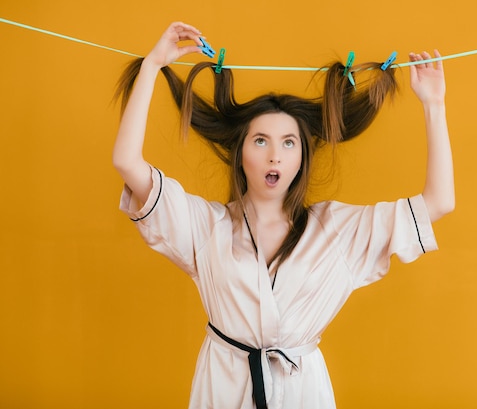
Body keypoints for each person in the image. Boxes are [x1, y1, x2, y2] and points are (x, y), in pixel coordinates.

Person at [113, 21, 454, 409]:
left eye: (288, 143)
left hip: (303, 391)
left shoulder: (338, 230)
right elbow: (126, 161)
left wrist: (434, 104)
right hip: (223, 387)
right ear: (242, 153)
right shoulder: (206, 226)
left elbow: (439, 202)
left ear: (301, 158)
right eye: (261, 141)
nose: (275, 154)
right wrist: (152, 65)